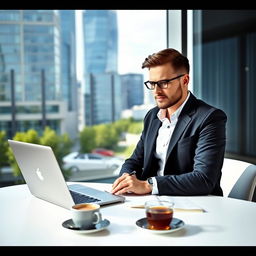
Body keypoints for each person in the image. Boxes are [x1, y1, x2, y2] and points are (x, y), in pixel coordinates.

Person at [111, 48, 227, 196]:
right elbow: (134, 161)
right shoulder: (152, 116)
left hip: (195, 205)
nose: (156, 91)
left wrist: (149, 185)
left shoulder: (210, 118)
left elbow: (203, 179)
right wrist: (127, 178)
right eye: (152, 84)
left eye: (164, 83)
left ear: (185, 80)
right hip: (151, 203)